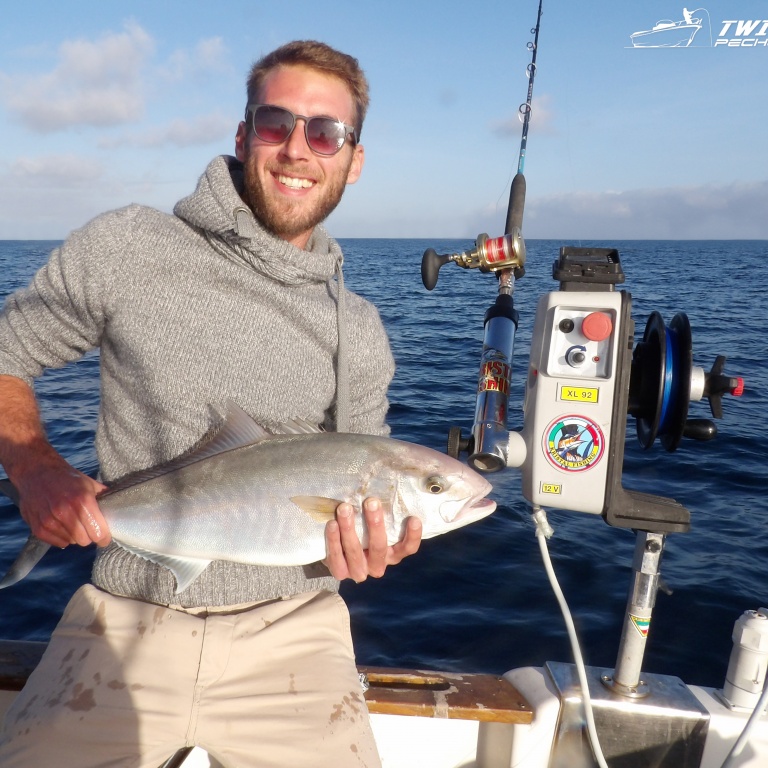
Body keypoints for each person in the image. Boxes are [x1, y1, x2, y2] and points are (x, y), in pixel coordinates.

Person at [0, 40, 422, 767]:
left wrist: (372, 548)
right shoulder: (129, 245)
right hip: (122, 623)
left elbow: (356, 489)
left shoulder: (359, 329)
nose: (297, 150)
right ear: (241, 136)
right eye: (274, 123)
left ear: (354, 160)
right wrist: (34, 468)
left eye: (326, 133)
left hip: (295, 632)